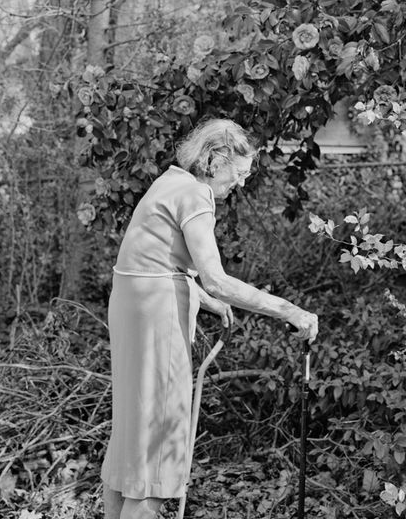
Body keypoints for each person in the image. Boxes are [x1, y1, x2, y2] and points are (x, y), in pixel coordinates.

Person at [101, 117, 319, 519]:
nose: (239, 183)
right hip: (157, 318)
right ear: (215, 159)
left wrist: (202, 298)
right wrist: (288, 310)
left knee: (132, 440)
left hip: (133, 307)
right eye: (237, 173)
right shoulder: (196, 194)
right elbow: (217, 279)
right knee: (158, 451)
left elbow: (152, 261)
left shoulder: (168, 182)